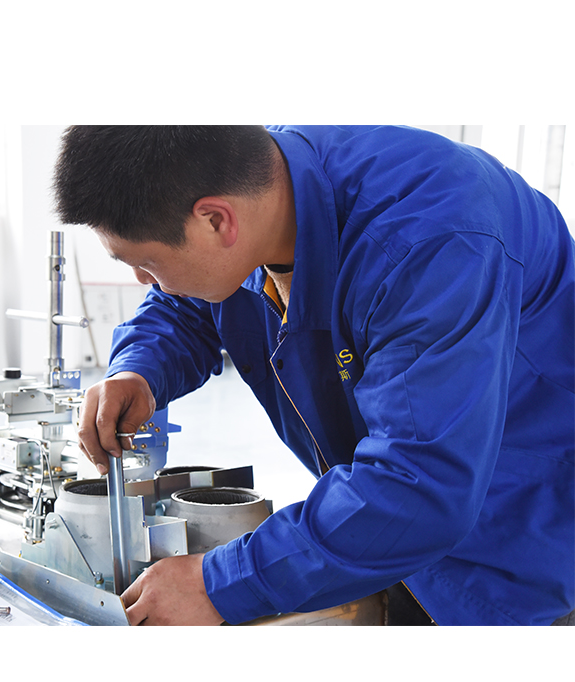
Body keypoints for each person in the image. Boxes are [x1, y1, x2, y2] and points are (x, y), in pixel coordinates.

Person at [53, 125, 575, 626]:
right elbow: (187, 305)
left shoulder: (429, 245)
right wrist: (138, 370)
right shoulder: (258, 186)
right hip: (386, 524)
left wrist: (217, 584)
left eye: (147, 262)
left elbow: (419, 486)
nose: (144, 281)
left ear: (216, 221)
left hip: (514, 550)